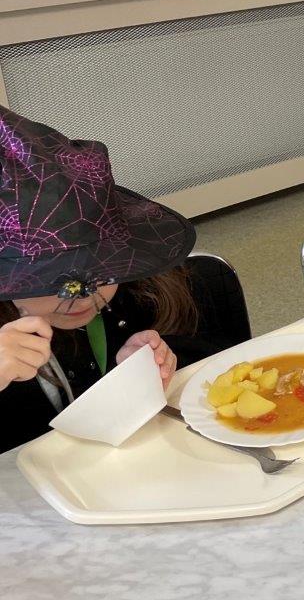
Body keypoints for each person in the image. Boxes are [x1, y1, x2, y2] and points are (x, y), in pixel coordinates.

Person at [0, 108, 231, 453]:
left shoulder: (142, 295)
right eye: (51, 280)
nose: (82, 297)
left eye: (99, 271)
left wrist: (132, 380)